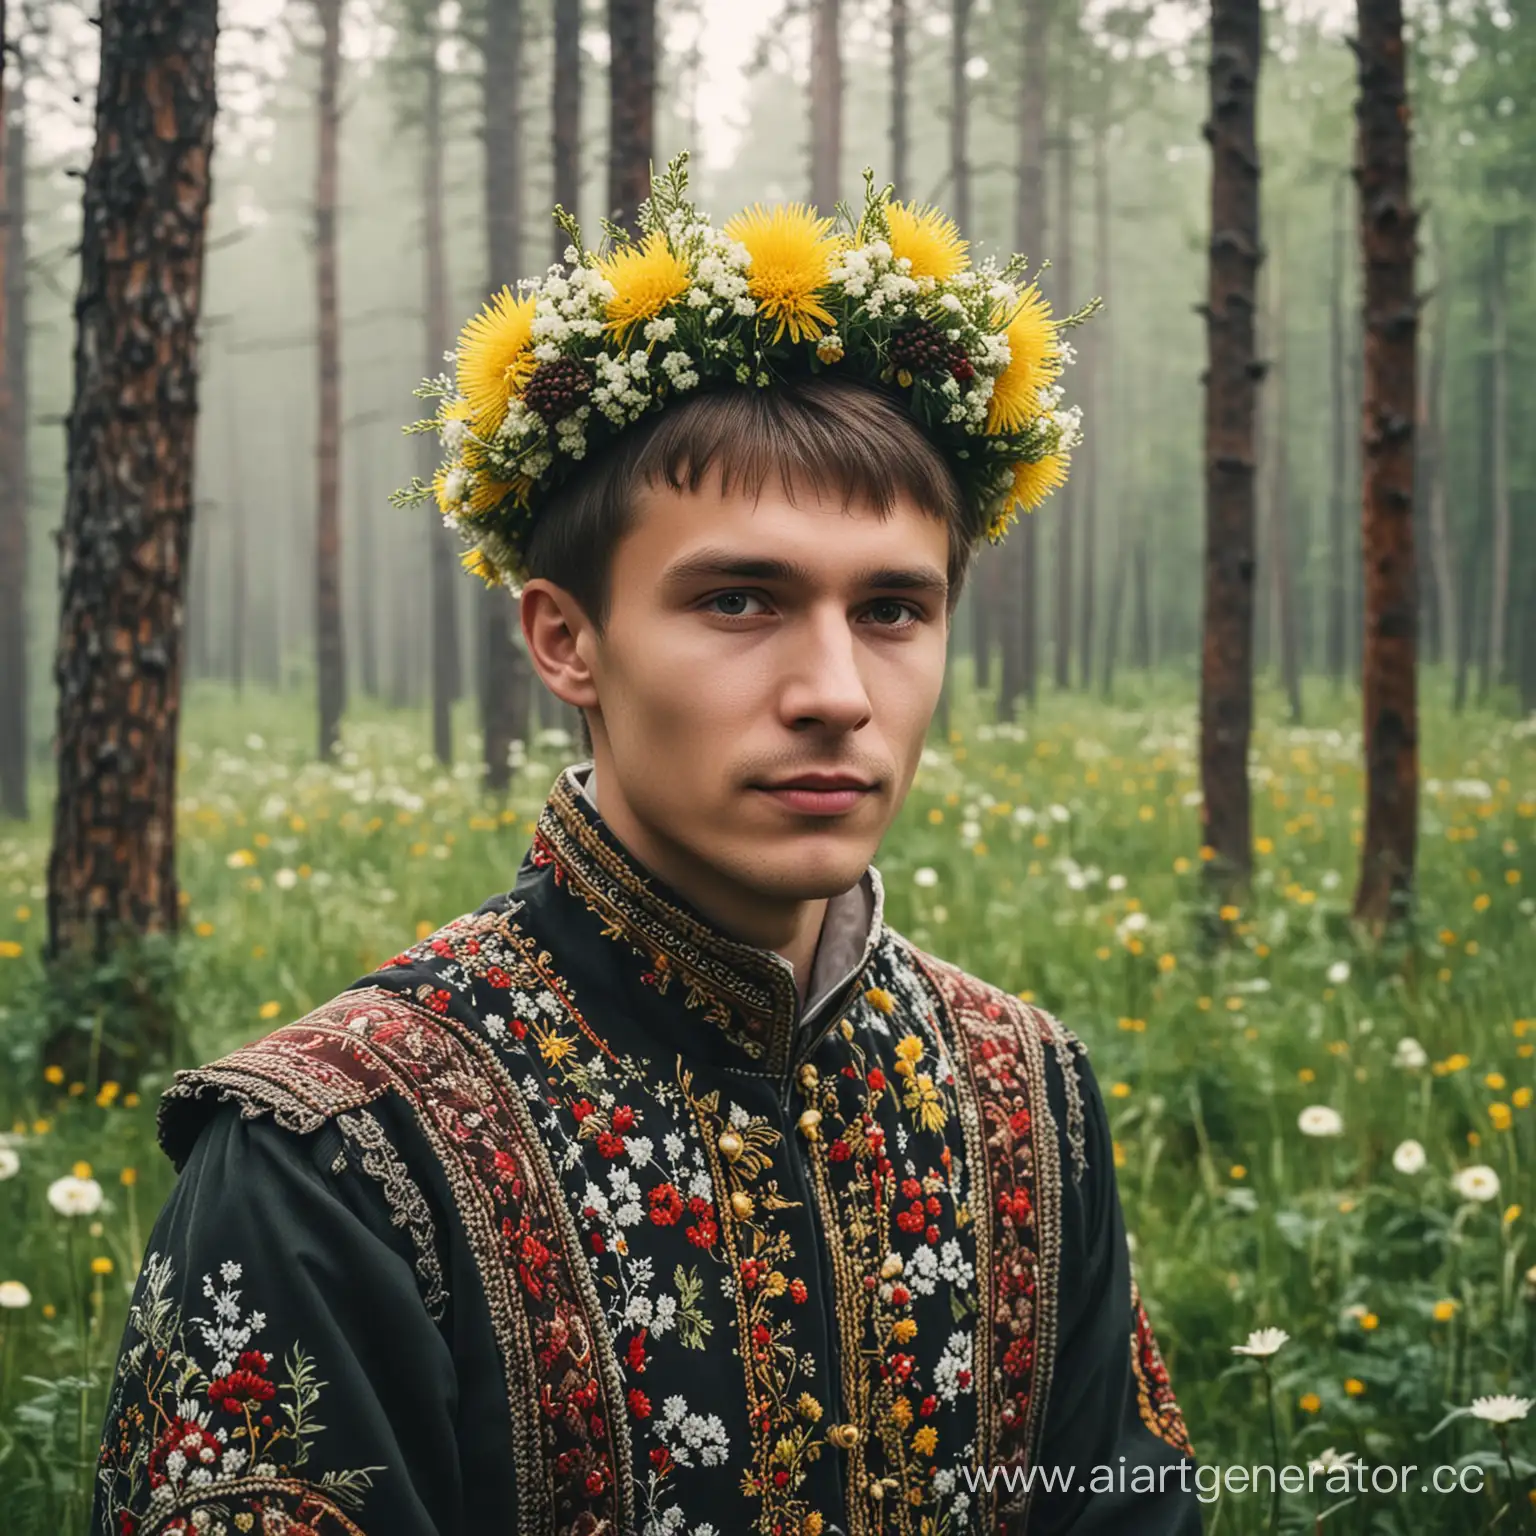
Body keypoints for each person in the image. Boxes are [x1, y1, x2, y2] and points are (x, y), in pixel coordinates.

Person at [93, 158, 1201, 1535]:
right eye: (741, 600)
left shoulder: (1024, 1099)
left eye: (895, 610)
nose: (836, 690)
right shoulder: (333, 1161)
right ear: (566, 639)